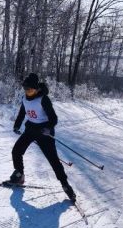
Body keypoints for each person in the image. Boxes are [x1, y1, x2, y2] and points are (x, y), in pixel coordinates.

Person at [6, 72, 76, 202]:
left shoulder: (43, 99)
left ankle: (65, 184)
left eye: (31, 90)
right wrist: (17, 125)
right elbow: (22, 113)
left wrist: (48, 128)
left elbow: (54, 118)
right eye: (26, 90)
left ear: (36, 88)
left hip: (44, 132)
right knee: (17, 150)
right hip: (31, 129)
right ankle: (19, 174)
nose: (28, 93)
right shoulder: (25, 98)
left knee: (53, 160)